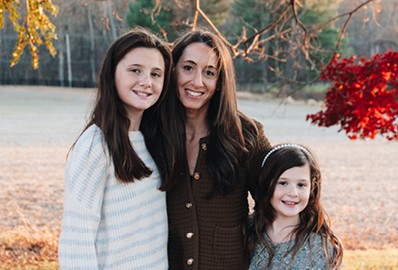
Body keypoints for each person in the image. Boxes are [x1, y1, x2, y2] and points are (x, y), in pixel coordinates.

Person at [157, 29, 272, 270]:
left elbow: (277, 200)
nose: (197, 82)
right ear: (172, 69)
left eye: (209, 72)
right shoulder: (153, 132)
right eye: (188, 68)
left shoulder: (247, 134)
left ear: (220, 82)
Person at [58, 28, 172, 269]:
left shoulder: (151, 141)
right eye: (135, 70)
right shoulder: (96, 144)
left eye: (156, 74)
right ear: (112, 75)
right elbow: (76, 242)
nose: (146, 82)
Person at [246, 144, 344, 269]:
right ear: (265, 183)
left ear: (311, 188)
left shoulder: (320, 247)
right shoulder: (247, 231)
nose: (293, 193)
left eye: (301, 185)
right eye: (283, 183)